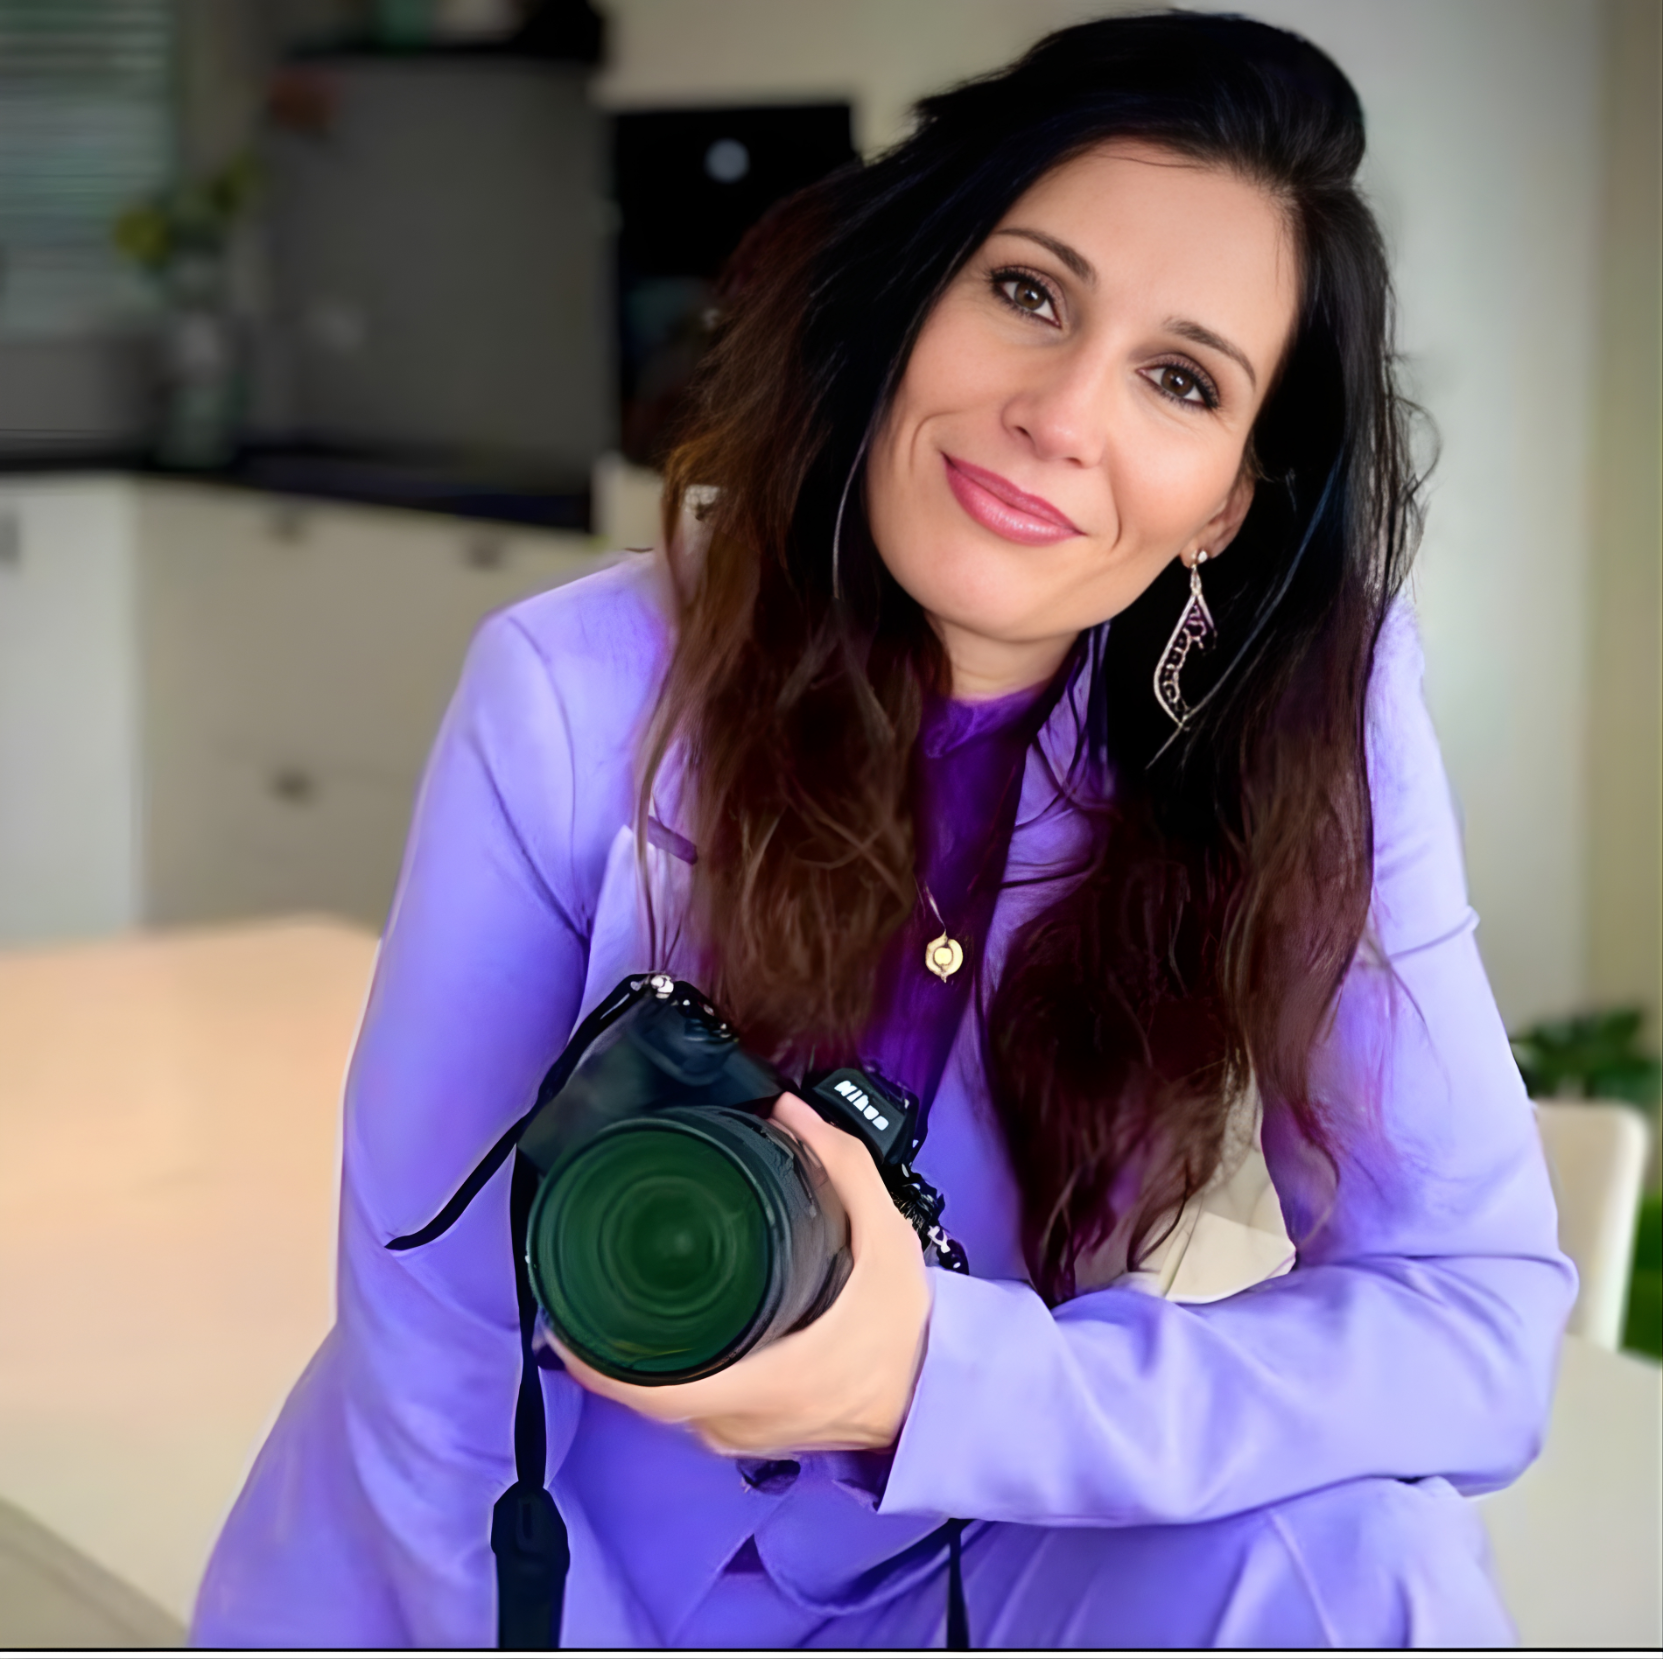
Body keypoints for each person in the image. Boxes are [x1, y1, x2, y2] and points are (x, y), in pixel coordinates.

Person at [192, 12, 1575, 1649]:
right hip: (512, 1570)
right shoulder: (571, 690)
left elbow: (1469, 1321)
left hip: (952, 1570)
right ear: (916, 291)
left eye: (1178, 378)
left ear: (1225, 496)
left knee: (1359, 1555)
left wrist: (950, 1371)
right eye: (1028, 292)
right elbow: (436, 1325)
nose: (1062, 412)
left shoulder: (1300, 726)